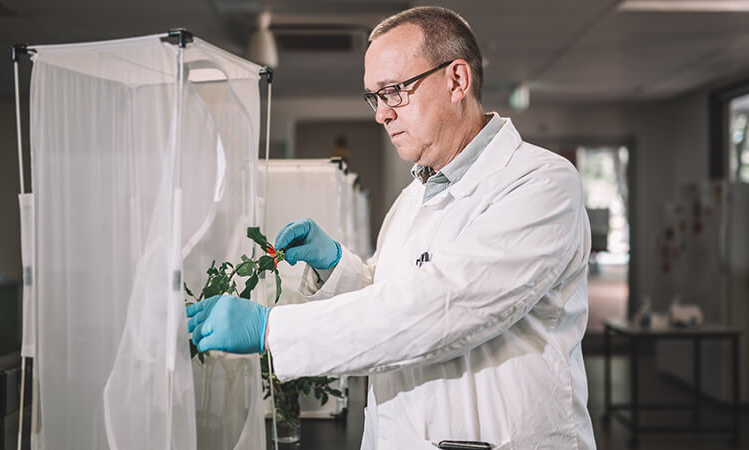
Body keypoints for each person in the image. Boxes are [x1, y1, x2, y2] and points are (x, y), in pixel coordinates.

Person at [187, 6, 596, 449]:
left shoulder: (541, 183)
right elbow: (387, 293)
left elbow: (441, 308)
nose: (381, 114)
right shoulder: (413, 197)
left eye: (394, 91)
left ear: (457, 80)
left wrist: (272, 328)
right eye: (373, 97)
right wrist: (338, 267)